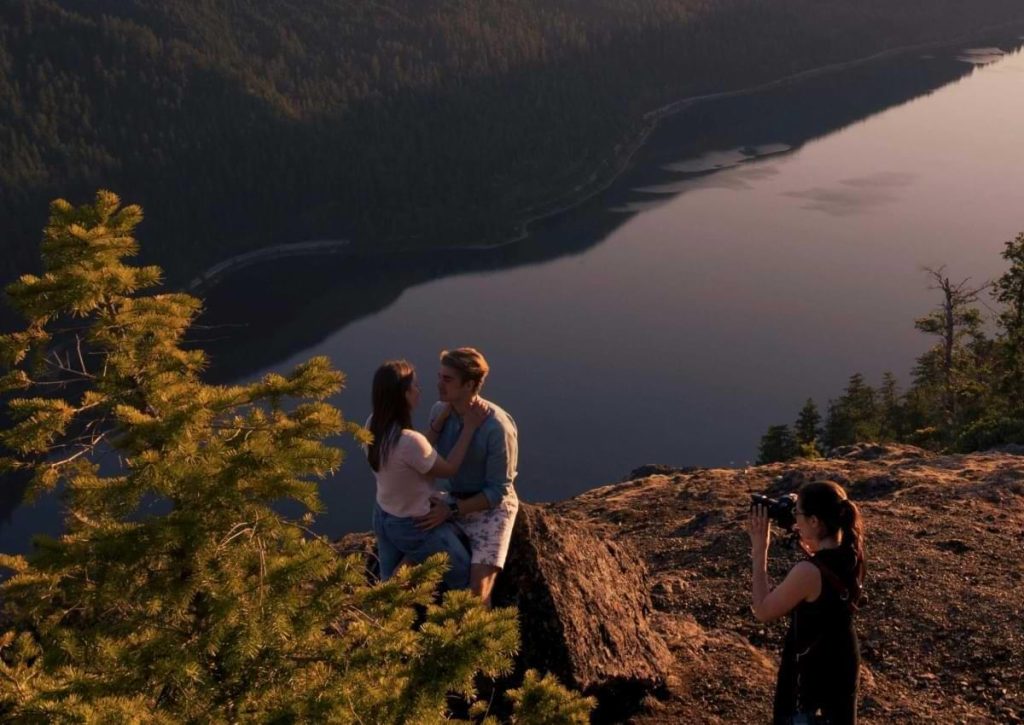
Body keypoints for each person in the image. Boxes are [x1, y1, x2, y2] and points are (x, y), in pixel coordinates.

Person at [749, 480, 865, 725]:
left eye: (799, 514)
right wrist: (802, 527)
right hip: (842, 666)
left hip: (811, 681)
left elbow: (762, 610)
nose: (795, 519)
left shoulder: (808, 572)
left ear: (815, 521)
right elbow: (823, 555)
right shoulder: (852, 553)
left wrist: (760, 551)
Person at [367, 359, 489, 591]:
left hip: (383, 515)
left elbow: (415, 455)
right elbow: (449, 468)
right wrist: (470, 427)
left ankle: (381, 622)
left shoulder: (373, 424)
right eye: (415, 386)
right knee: (462, 574)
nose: (419, 390)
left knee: (387, 586)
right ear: (403, 395)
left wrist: (440, 420)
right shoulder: (410, 441)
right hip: (413, 524)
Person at [415, 348, 518, 606]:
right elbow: (419, 459)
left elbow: (498, 491)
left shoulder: (497, 427)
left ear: (470, 384)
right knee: (405, 562)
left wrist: (451, 509)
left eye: (447, 379)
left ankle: (477, 643)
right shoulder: (440, 410)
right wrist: (439, 421)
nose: (438, 384)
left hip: (489, 509)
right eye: (439, 376)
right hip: (453, 497)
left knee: (477, 594)